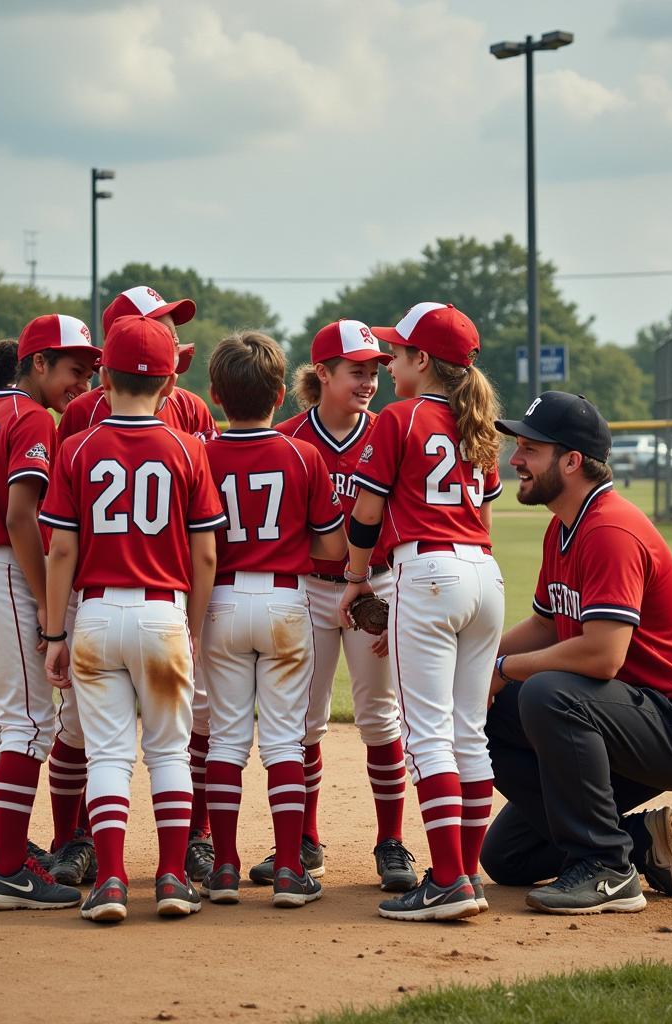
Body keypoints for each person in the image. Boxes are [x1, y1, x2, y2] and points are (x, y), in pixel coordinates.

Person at [483, 391, 672, 915]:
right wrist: (472, 670)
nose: (516, 460)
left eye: (530, 448)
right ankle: (635, 842)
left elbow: (602, 657)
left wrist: (505, 670)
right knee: (507, 856)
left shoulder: (610, 529)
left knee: (547, 693)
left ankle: (606, 867)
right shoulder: (564, 526)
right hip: (621, 718)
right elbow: (548, 625)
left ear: (572, 461)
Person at [41, 314, 226, 922]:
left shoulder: (77, 447)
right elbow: (205, 553)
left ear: (105, 378)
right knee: (170, 751)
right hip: (162, 610)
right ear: (172, 384)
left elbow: (61, 549)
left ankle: (112, 880)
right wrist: (193, 629)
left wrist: (54, 633)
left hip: (94, 613)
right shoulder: (187, 447)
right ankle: (171, 877)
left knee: (108, 755)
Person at [339, 302, 505, 922]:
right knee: (469, 733)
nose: (392, 362)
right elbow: (485, 516)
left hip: (428, 572)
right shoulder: (477, 419)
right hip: (485, 574)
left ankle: (447, 882)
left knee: (428, 733)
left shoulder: (398, 418)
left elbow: (367, 512)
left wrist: (357, 580)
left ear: (423, 361)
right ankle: (465, 875)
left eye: (400, 353)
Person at [0, 313, 100, 911]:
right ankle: (8, 869)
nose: (80, 386)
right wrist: (44, 603)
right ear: (38, 363)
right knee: (30, 724)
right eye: (73, 372)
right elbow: (20, 518)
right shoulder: (30, 417)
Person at [258, 319, 416, 893]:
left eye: (376, 370)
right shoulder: (289, 436)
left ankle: (390, 842)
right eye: (357, 371)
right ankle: (305, 840)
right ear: (321, 372)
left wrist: (389, 592)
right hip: (309, 587)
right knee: (305, 720)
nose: (370, 380)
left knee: (379, 716)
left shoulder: (390, 431)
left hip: (376, 588)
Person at [199, 331, 347, 909]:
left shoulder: (200, 453)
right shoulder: (302, 453)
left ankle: (227, 867)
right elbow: (333, 549)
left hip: (221, 604)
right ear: (283, 392)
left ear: (214, 394)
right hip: (287, 600)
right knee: (285, 739)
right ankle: (289, 867)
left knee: (227, 740)